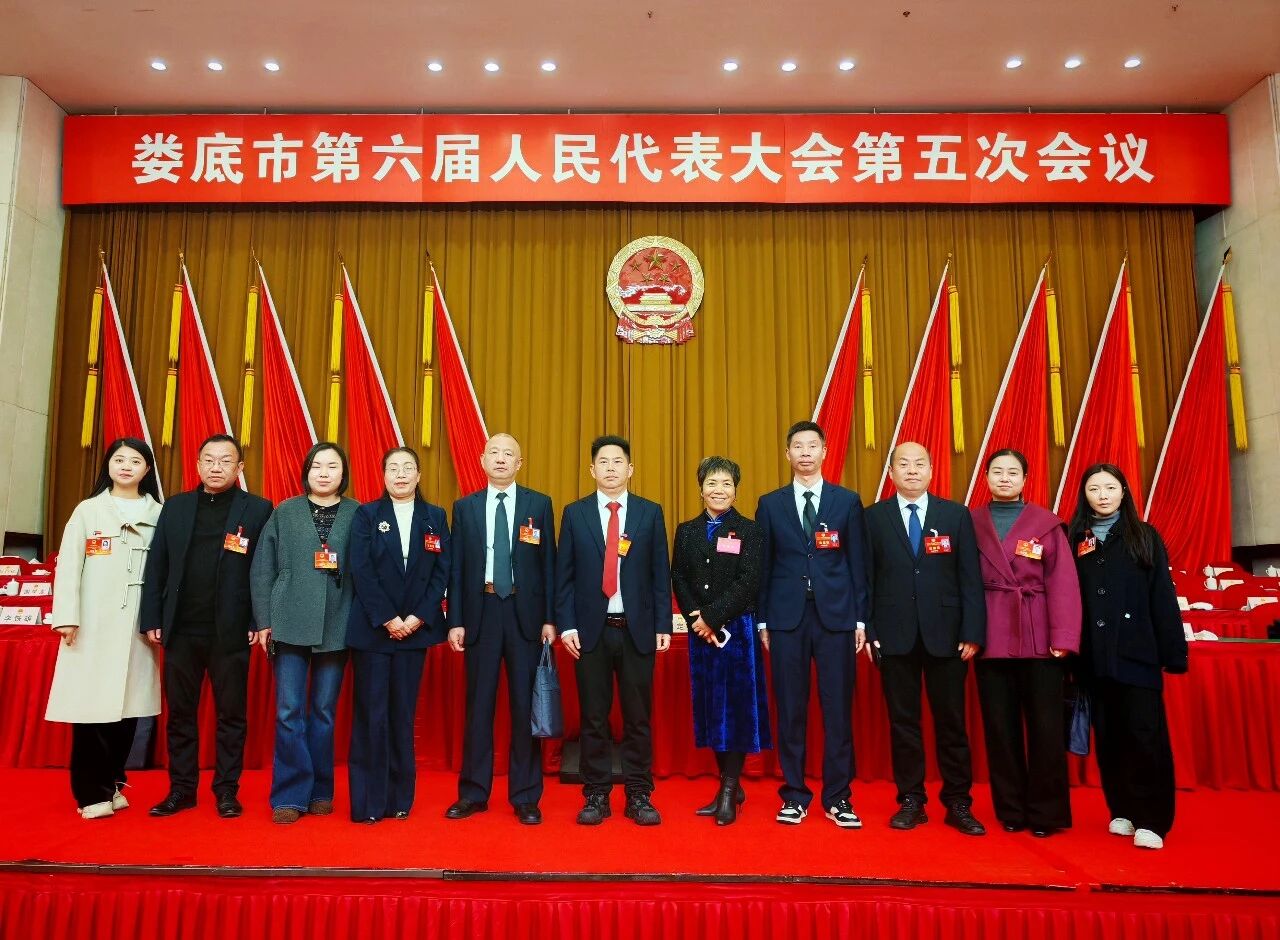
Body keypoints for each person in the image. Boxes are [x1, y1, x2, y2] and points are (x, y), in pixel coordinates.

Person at [141, 434, 272, 819]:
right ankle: (182, 790)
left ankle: (227, 791)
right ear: (197, 465)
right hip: (181, 628)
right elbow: (158, 564)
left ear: (239, 467)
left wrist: (256, 619)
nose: (216, 467)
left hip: (231, 629)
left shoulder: (258, 509)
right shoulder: (176, 507)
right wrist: (153, 618)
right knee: (181, 713)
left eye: (225, 461)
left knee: (232, 715)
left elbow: (263, 570)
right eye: (209, 460)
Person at [864, 441, 987, 836]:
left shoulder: (955, 515)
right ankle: (911, 800)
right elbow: (866, 580)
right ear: (891, 472)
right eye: (904, 464)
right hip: (893, 635)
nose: (912, 470)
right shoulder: (873, 517)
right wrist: (870, 630)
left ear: (932, 471)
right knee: (904, 723)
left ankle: (958, 802)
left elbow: (970, 578)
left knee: (952, 722)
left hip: (947, 636)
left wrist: (972, 631)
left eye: (920, 464)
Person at [1068, 463, 1187, 850]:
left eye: (1110, 487)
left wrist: (1173, 652)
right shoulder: (1075, 538)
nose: (1102, 495)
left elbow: (1162, 596)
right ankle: (1122, 808)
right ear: (1084, 495)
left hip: (1137, 653)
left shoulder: (1144, 536)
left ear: (1124, 492)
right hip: (1093, 655)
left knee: (1144, 734)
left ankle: (1153, 819)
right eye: (1094, 489)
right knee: (1109, 735)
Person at [755, 421, 869, 828]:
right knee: (790, 708)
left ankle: (839, 798)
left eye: (812, 446)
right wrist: (763, 620)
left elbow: (858, 564)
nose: (805, 453)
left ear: (824, 451)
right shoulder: (770, 504)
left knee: (837, 709)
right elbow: (763, 567)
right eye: (797, 446)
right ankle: (794, 794)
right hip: (786, 619)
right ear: (787, 454)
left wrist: (860, 618)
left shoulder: (847, 501)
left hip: (836, 618)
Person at [45, 438, 163, 819]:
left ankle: (113, 782)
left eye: (135, 461)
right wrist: (67, 616)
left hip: (137, 627)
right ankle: (90, 793)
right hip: (92, 625)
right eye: (119, 459)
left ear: (147, 469)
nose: (126, 466)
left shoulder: (159, 514)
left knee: (130, 710)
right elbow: (68, 566)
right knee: (91, 709)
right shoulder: (88, 511)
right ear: (108, 465)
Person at [557, 435, 671, 826]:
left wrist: (662, 624)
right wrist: (567, 625)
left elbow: (660, 574)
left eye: (617, 461)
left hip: (637, 630)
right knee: (593, 717)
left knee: (638, 718)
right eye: (603, 462)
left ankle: (639, 794)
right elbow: (564, 576)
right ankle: (596, 794)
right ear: (592, 470)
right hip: (591, 632)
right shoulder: (575, 514)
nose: (610, 468)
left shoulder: (649, 513)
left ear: (630, 468)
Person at [445, 433, 557, 826]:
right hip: (482, 610)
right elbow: (456, 568)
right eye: (494, 452)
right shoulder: (465, 507)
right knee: (479, 707)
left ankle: (526, 796)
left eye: (509, 454)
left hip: (526, 614)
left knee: (525, 707)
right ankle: (473, 792)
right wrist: (455, 620)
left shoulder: (538, 504)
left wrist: (550, 618)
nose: (501, 459)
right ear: (482, 460)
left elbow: (549, 565)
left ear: (519, 463)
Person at [972, 449, 1081, 837]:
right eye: (997, 471)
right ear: (986, 476)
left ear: (1024, 479)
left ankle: (1047, 813)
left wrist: (1063, 637)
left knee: (1046, 729)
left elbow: (1063, 583)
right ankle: (1011, 810)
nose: (1004, 478)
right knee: (1000, 731)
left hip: (1039, 639)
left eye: (1012, 472)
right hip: (989, 637)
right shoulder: (970, 522)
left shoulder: (1046, 523)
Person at [250, 442, 359, 824]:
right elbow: (262, 568)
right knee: (288, 710)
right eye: (317, 466)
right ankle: (290, 794)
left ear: (343, 473)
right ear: (306, 471)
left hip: (338, 622)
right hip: (289, 620)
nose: (324, 473)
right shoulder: (285, 511)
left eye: (332, 466)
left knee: (324, 712)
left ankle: (320, 791)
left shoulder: (358, 513)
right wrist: (264, 621)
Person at [346, 446, 450, 824]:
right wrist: (389, 618)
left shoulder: (435, 517)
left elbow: (442, 571)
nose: (401, 474)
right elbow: (361, 570)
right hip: (374, 632)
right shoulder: (367, 515)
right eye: (394, 468)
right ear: (384, 475)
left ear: (419, 475)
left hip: (415, 633)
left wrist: (418, 617)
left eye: (408, 468)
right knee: (371, 716)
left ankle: (399, 798)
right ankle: (369, 804)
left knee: (402, 716)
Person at [671, 456, 771, 826]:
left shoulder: (750, 530)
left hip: (736, 632)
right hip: (701, 633)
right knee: (712, 709)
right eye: (712, 483)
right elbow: (678, 577)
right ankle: (729, 785)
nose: (719, 490)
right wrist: (696, 618)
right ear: (701, 489)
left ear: (735, 490)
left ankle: (729, 790)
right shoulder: (687, 531)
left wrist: (712, 618)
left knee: (737, 711)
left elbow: (749, 581)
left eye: (726, 483)